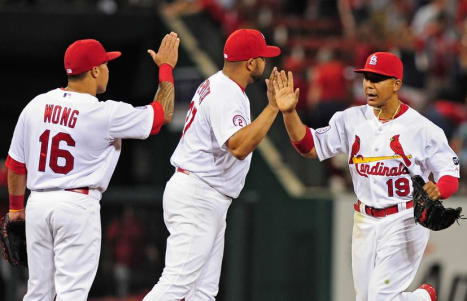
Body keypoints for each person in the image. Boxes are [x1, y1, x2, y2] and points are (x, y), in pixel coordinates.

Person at [5, 32, 180, 301]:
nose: (109, 69)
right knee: (72, 294)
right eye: (106, 64)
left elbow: (16, 164)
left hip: (37, 204)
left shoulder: (35, 105)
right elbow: (162, 114)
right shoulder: (104, 113)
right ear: (95, 70)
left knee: (38, 293)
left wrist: (16, 209)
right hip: (76, 205)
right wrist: (166, 68)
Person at [273, 52, 460, 301]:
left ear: (396, 84)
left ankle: (423, 298)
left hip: (403, 219)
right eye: (366, 78)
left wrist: (441, 189)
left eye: (378, 79)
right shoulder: (350, 119)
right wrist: (289, 113)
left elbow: (449, 172)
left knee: (380, 298)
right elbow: (309, 147)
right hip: (364, 220)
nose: (369, 85)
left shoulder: (422, 129)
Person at [143, 28, 281, 301]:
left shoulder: (219, 84)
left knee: (204, 292)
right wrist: (273, 107)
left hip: (204, 193)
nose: (267, 63)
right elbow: (239, 146)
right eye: (263, 57)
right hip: (198, 194)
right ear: (251, 63)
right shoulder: (226, 92)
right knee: (176, 284)